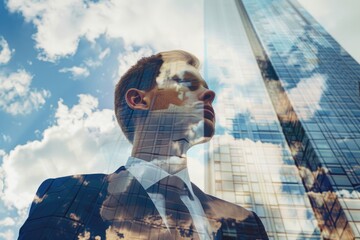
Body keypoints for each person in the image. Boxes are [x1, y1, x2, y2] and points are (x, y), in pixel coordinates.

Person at [19, 50, 268, 239]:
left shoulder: (246, 223)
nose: (209, 94)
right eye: (186, 84)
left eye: (206, 87)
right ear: (138, 100)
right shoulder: (66, 192)